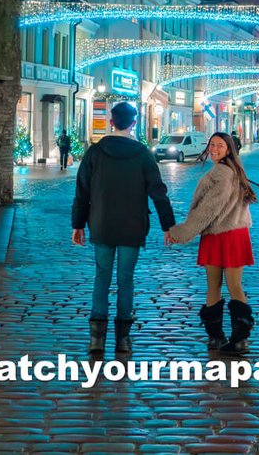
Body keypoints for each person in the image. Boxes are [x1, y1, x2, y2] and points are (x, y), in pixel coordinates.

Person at [71, 101, 175, 357]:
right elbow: (158, 191)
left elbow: (82, 191)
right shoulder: (142, 154)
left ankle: (96, 340)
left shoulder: (95, 152)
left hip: (102, 223)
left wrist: (78, 224)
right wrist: (168, 225)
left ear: (111, 122)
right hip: (132, 225)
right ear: (133, 124)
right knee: (126, 279)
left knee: (101, 277)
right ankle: (123, 340)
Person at [166, 132, 258, 355]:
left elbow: (209, 210)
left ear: (229, 149)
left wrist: (180, 232)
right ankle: (224, 337)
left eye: (220, 145)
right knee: (217, 285)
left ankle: (232, 338)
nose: (214, 149)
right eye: (212, 145)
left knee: (229, 285)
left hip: (225, 234)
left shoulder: (222, 173)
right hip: (228, 233)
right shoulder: (231, 170)